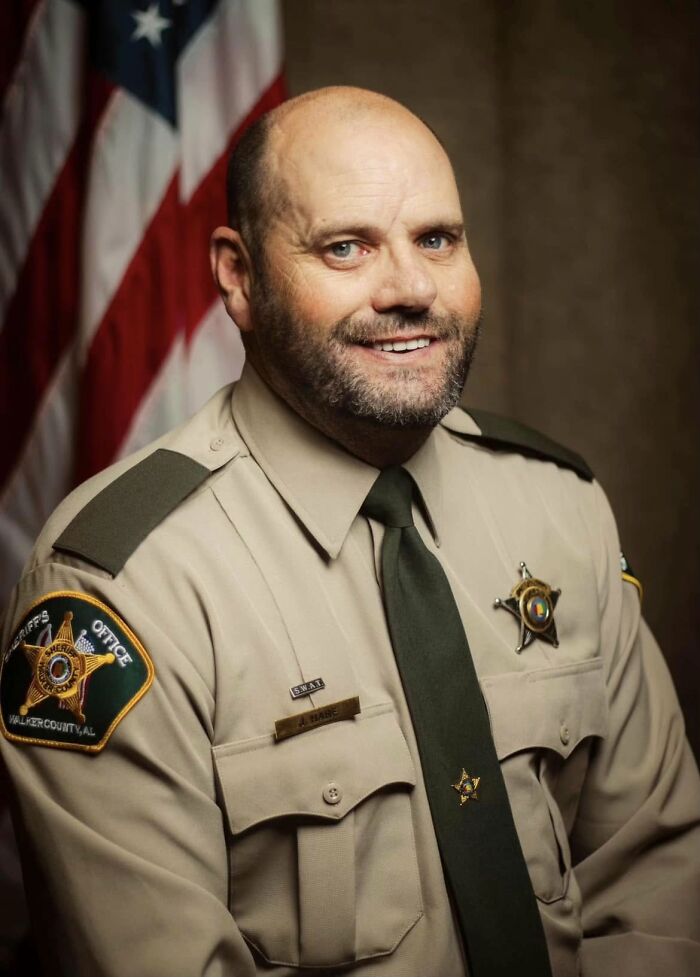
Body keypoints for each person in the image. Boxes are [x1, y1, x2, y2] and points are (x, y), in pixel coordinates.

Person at [1, 86, 698, 977]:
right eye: (347, 247)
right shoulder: (118, 591)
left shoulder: (559, 506)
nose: (409, 288)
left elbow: (656, 873)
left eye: (437, 239)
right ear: (239, 275)